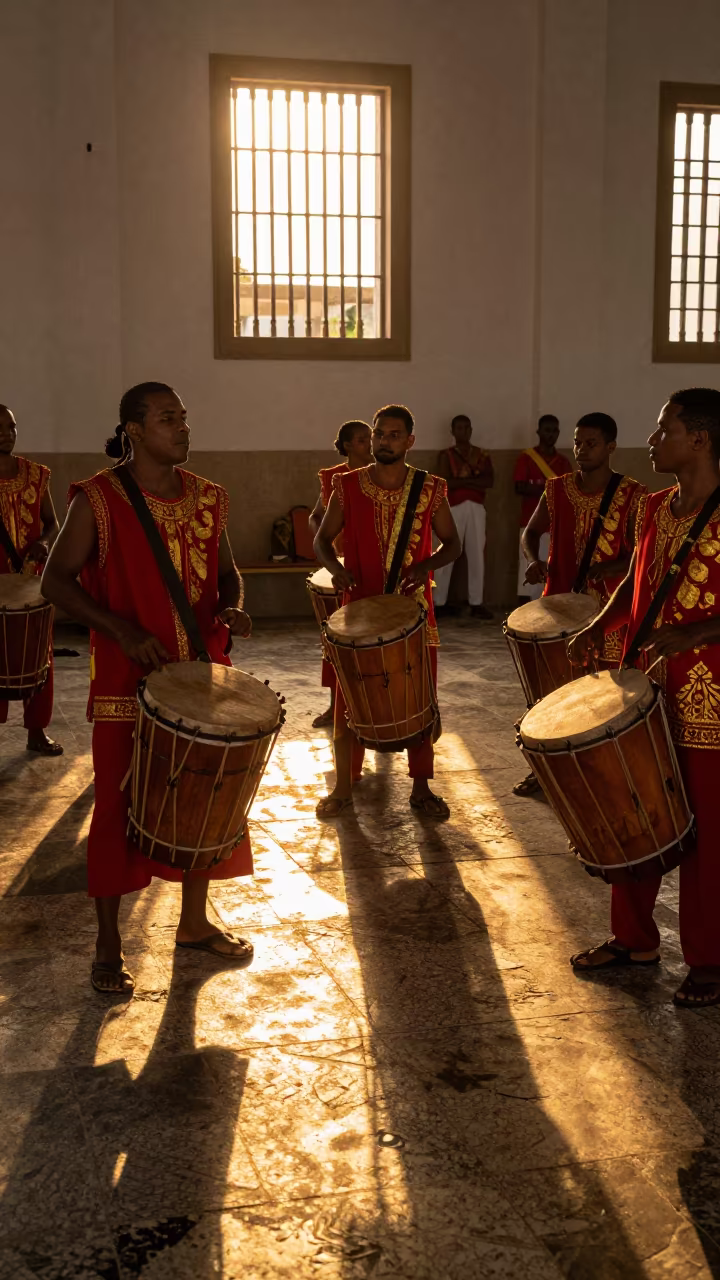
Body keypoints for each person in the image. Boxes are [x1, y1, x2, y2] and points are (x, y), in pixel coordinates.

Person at [41, 382, 254, 994]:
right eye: (168, 419)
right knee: (116, 808)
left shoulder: (211, 498)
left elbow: (227, 574)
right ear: (134, 430)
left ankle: (192, 924)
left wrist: (233, 607)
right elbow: (56, 581)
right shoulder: (99, 499)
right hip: (125, 685)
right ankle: (109, 944)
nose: (183, 429)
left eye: (185, 418)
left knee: (203, 798)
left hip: (201, 675)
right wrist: (119, 629)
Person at [568, 388, 720, 1009]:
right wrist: (600, 623)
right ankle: (633, 939)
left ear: (701, 439)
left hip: (710, 696)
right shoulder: (656, 505)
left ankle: (710, 959)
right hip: (648, 684)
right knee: (633, 805)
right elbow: (636, 574)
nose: (653, 442)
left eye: (665, 431)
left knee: (705, 828)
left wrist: (697, 631)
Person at [313, 403, 462, 820]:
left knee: (418, 696)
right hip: (358, 612)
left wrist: (424, 566)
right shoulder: (348, 485)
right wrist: (335, 569)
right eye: (379, 434)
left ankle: (421, 787)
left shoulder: (430, 488)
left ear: (410, 441)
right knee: (349, 697)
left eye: (394, 435)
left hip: (413, 612)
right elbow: (322, 540)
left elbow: (452, 544)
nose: (384, 441)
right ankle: (344, 787)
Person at [515, 412, 646, 798]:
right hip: (559, 606)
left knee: (605, 695)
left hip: (609, 613)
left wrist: (612, 566)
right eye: (578, 442)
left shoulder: (633, 494)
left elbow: (640, 554)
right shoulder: (557, 489)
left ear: (611, 447)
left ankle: (603, 771)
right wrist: (533, 559)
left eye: (591, 443)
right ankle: (546, 771)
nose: (581, 450)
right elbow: (531, 531)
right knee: (552, 694)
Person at [0, 403, 62, 755]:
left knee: (40, 656)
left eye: (11, 427)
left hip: (30, 584)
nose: (6, 433)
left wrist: (43, 541)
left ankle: (36, 731)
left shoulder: (36, 475)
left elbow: (52, 523)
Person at [308, 420, 372, 728]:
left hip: (373, 565)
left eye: (369, 438)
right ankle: (336, 707)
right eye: (361, 440)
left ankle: (373, 706)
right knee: (335, 639)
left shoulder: (382, 474)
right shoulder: (335, 478)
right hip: (343, 568)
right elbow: (316, 518)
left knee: (372, 639)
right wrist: (329, 550)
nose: (369, 444)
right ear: (347, 445)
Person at [433, 414, 494, 619]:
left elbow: (488, 481)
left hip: (476, 507)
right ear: (452, 431)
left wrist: (461, 481)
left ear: (471, 430)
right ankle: (437, 601)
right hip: (452, 507)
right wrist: (471, 481)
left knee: (477, 554)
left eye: (466, 428)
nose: (463, 431)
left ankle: (476, 602)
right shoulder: (446, 455)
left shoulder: (482, 454)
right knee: (447, 552)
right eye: (459, 428)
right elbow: (444, 483)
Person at [513, 414, 572, 603]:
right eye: (547, 430)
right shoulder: (527, 458)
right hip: (530, 522)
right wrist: (550, 489)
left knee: (551, 570)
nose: (551, 434)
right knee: (528, 565)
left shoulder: (563, 462)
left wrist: (539, 487)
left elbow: (569, 492)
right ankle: (523, 612)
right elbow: (520, 487)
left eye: (554, 430)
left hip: (556, 525)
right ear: (539, 431)